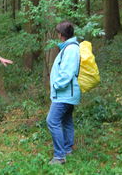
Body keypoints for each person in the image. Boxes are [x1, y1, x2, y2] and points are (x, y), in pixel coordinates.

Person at [46, 20, 81, 165]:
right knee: (66, 120)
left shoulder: (71, 49)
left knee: (52, 121)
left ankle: (59, 156)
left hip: (64, 94)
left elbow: (67, 73)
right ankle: (67, 149)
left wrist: (56, 85)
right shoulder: (69, 48)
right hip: (67, 94)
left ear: (61, 35)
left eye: (58, 33)